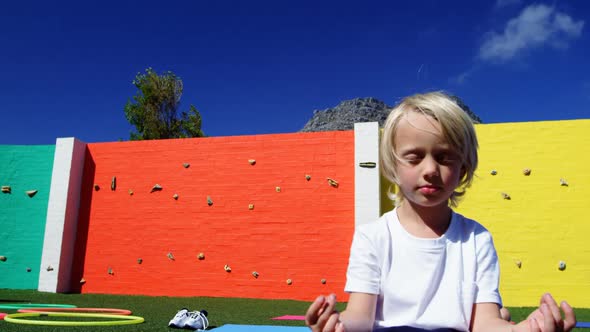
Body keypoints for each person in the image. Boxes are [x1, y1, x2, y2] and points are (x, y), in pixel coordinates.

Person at [305, 92, 576, 332]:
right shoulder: (372, 236)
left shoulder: (476, 239)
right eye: (414, 157)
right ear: (392, 166)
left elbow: (485, 323)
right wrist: (338, 325)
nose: (430, 170)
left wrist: (524, 329)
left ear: (464, 170)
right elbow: (360, 318)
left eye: (445, 157)